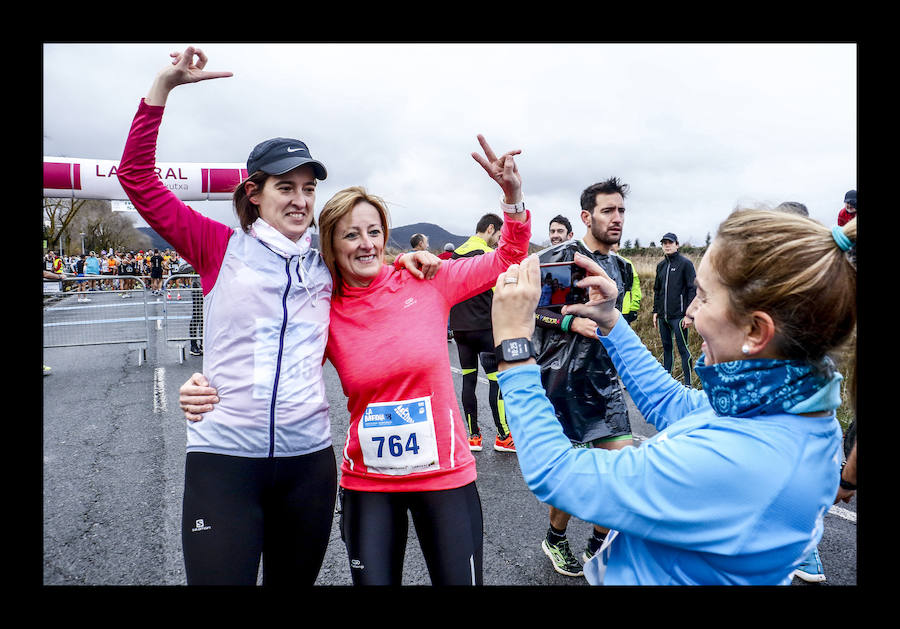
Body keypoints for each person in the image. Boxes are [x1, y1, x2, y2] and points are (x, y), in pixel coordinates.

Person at [117, 46, 438, 586]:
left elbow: (370, 264)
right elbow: (137, 178)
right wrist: (162, 89)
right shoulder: (218, 247)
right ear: (254, 193)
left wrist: (407, 259)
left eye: (308, 189)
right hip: (224, 460)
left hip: (307, 464)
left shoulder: (325, 261)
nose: (299, 200)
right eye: (285, 187)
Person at [181, 134, 532, 585]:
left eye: (374, 232)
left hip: (444, 476)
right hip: (370, 482)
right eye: (351, 234)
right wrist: (204, 384)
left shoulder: (429, 281)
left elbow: (509, 255)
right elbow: (272, 354)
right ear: (331, 243)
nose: (365, 244)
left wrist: (513, 199)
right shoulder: (324, 302)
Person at [490, 211, 857, 585]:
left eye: (702, 296)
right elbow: (671, 404)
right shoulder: (788, 412)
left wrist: (514, 349)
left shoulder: (738, 462)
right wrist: (610, 320)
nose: (691, 312)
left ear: (756, 330)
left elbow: (558, 474)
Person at [530, 178, 633, 577]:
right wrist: (571, 322)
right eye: (608, 210)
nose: (617, 218)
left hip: (605, 382)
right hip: (564, 378)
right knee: (577, 477)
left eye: (621, 210)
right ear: (586, 216)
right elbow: (536, 312)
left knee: (619, 473)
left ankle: (596, 543)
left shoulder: (621, 266)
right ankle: (556, 537)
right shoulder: (562, 259)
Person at [449, 213, 516, 453]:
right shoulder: (488, 255)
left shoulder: (455, 255)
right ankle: (503, 436)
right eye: (498, 235)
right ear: (490, 229)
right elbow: (504, 293)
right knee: (495, 382)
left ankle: (474, 437)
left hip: (460, 331)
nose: (498, 241)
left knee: (468, 380)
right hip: (486, 328)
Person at [653, 232, 696, 386]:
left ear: (677, 245)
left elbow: (693, 290)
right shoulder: (661, 266)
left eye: (670, 242)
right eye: (664, 243)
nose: (667, 245)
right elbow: (657, 290)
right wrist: (655, 311)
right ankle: (667, 384)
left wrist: (690, 315)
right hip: (663, 317)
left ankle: (688, 384)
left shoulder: (686, 264)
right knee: (667, 349)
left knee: (684, 350)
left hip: (679, 317)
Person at [611, 241, 641, 324]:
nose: (611, 246)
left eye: (613, 243)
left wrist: (634, 308)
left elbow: (635, 286)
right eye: (608, 243)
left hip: (624, 311)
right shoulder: (598, 263)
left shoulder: (626, 264)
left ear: (618, 247)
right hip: (604, 312)